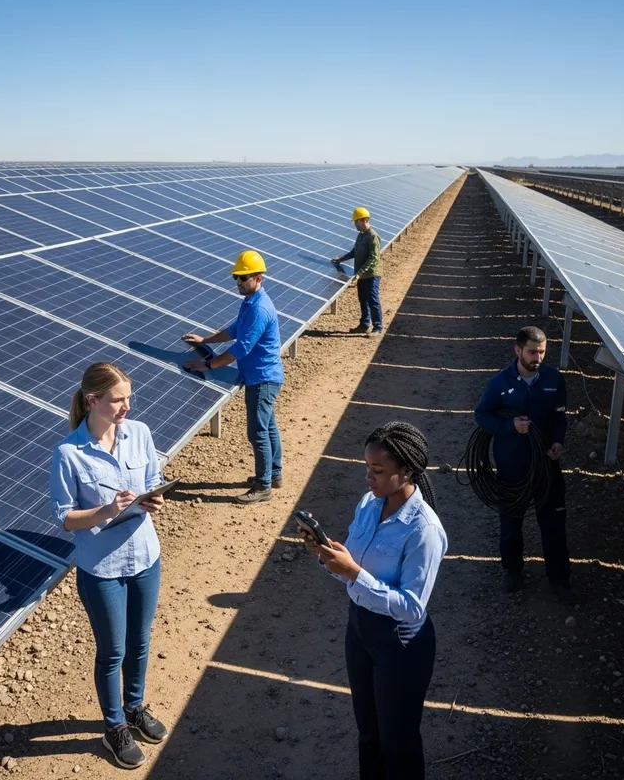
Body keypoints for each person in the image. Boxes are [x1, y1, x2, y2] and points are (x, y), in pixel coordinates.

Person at [300, 421, 447, 780]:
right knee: (368, 731)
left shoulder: (424, 530)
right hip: (360, 631)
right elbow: (353, 565)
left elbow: (412, 607)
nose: (368, 477)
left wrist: (353, 573)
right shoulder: (369, 503)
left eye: (378, 470)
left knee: (398, 741)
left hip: (400, 645)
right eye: (367, 466)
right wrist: (327, 557)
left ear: (407, 471)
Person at [50, 362, 167, 769]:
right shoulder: (68, 453)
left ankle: (134, 708)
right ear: (92, 401)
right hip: (102, 568)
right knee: (113, 650)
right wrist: (106, 510)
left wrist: (154, 497)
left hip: (145, 557)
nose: (127, 407)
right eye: (118, 400)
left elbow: (153, 478)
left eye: (129, 398)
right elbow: (65, 518)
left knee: (140, 641)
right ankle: (113, 726)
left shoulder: (141, 434)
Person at [474, 326, 573, 600]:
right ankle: (513, 570)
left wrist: (557, 442)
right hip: (512, 466)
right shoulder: (499, 383)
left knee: (553, 524)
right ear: (517, 350)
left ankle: (560, 579)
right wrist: (510, 426)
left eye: (542, 352)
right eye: (532, 352)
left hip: (546, 466)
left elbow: (559, 418)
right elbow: (482, 415)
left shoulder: (554, 379)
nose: (537, 357)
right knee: (511, 523)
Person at [183, 249, 284, 504]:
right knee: (268, 426)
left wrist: (209, 364)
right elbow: (233, 331)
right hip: (262, 376)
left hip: (262, 378)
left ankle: (263, 486)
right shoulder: (250, 303)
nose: (238, 281)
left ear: (258, 278)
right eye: (236, 277)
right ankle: (274, 475)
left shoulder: (259, 308)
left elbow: (241, 348)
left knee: (257, 432)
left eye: (243, 277)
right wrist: (205, 340)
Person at [332, 206, 383, 336]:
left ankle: (377, 327)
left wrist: (359, 273)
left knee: (372, 300)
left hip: (371, 275)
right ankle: (364, 325)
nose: (355, 224)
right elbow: (354, 252)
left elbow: (374, 258)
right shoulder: (361, 236)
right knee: (363, 299)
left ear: (363, 220)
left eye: (356, 221)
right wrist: (340, 259)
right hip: (361, 275)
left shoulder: (373, 236)